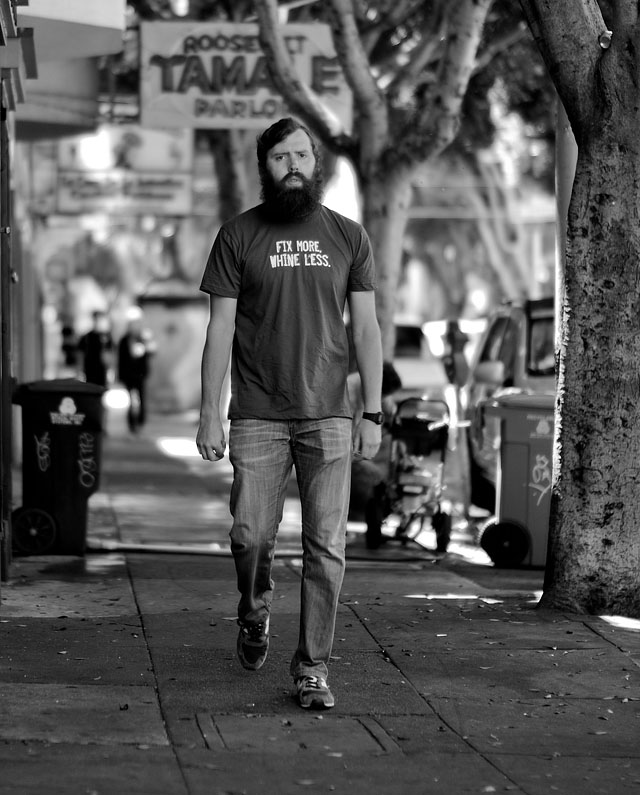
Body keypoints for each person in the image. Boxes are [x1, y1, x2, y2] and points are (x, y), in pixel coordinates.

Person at [196, 117, 383, 711]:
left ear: (317, 162)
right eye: (282, 157)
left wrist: (372, 413)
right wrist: (209, 413)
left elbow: (368, 329)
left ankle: (312, 666)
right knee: (250, 536)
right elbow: (219, 330)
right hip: (255, 414)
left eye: (303, 154)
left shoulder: (349, 237)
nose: (294, 165)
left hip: (328, 414)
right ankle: (254, 614)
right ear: (265, 166)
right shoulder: (237, 236)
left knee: (327, 546)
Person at [348, 362, 402, 549]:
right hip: (346, 451)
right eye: (384, 395)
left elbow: (391, 412)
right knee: (375, 477)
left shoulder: (379, 392)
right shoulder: (349, 391)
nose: (385, 399)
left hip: (358, 450)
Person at [117, 308, 156, 433]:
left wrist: (146, 347)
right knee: (131, 401)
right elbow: (121, 359)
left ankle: (140, 423)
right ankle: (132, 425)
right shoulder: (124, 340)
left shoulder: (144, 337)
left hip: (141, 374)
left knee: (141, 399)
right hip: (128, 375)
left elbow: (152, 351)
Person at [78, 310, 114, 387]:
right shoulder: (86, 337)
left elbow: (109, 356)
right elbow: (80, 355)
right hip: (89, 372)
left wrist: (110, 371)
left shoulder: (106, 337)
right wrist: (80, 371)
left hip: (102, 373)